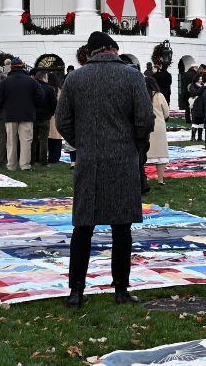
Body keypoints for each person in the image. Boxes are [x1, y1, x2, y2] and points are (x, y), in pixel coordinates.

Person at [57, 32, 155, 308]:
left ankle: (76, 291)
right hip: (123, 158)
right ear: (113, 49)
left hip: (89, 159)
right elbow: (145, 118)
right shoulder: (132, 76)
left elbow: (63, 120)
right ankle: (121, 289)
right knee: (121, 227)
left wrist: (83, 143)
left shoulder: (75, 78)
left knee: (83, 227)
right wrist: (134, 143)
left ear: (90, 53)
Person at [0, 57, 45, 171]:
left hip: (10, 115)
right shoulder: (31, 81)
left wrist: (4, 108)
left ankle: (11, 165)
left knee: (11, 141)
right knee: (26, 141)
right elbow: (41, 97)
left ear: (11, 67)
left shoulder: (5, 82)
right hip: (27, 114)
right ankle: (25, 165)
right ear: (22, 67)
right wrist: (33, 106)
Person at [144, 76, 170, 184]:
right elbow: (167, 112)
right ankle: (160, 179)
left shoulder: (142, 95)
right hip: (158, 126)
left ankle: (143, 178)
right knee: (160, 155)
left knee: (144, 154)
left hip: (145, 127)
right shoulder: (159, 96)